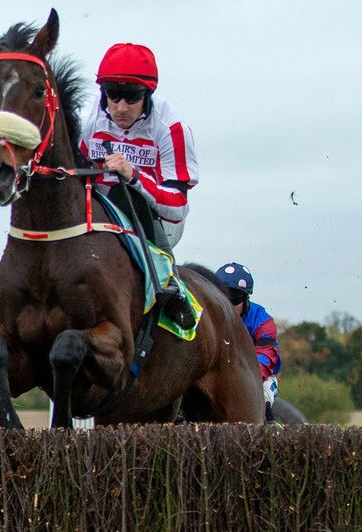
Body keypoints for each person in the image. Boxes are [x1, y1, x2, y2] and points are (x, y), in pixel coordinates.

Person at [79, 43, 200, 328]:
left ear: (148, 94)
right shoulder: (85, 119)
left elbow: (178, 208)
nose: (121, 107)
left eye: (132, 97)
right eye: (113, 95)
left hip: (155, 218)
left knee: (126, 195)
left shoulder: (171, 129)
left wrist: (133, 176)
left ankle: (170, 285)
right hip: (98, 209)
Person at [215, 262, 281, 423]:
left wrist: (243, 380)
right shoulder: (208, 317)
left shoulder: (262, 320)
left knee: (262, 398)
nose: (228, 305)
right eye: (223, 297)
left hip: (257, 377)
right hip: (218, 374)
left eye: (234, 298)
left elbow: (266, 355)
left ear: (245, 298)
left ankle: (270, 430)